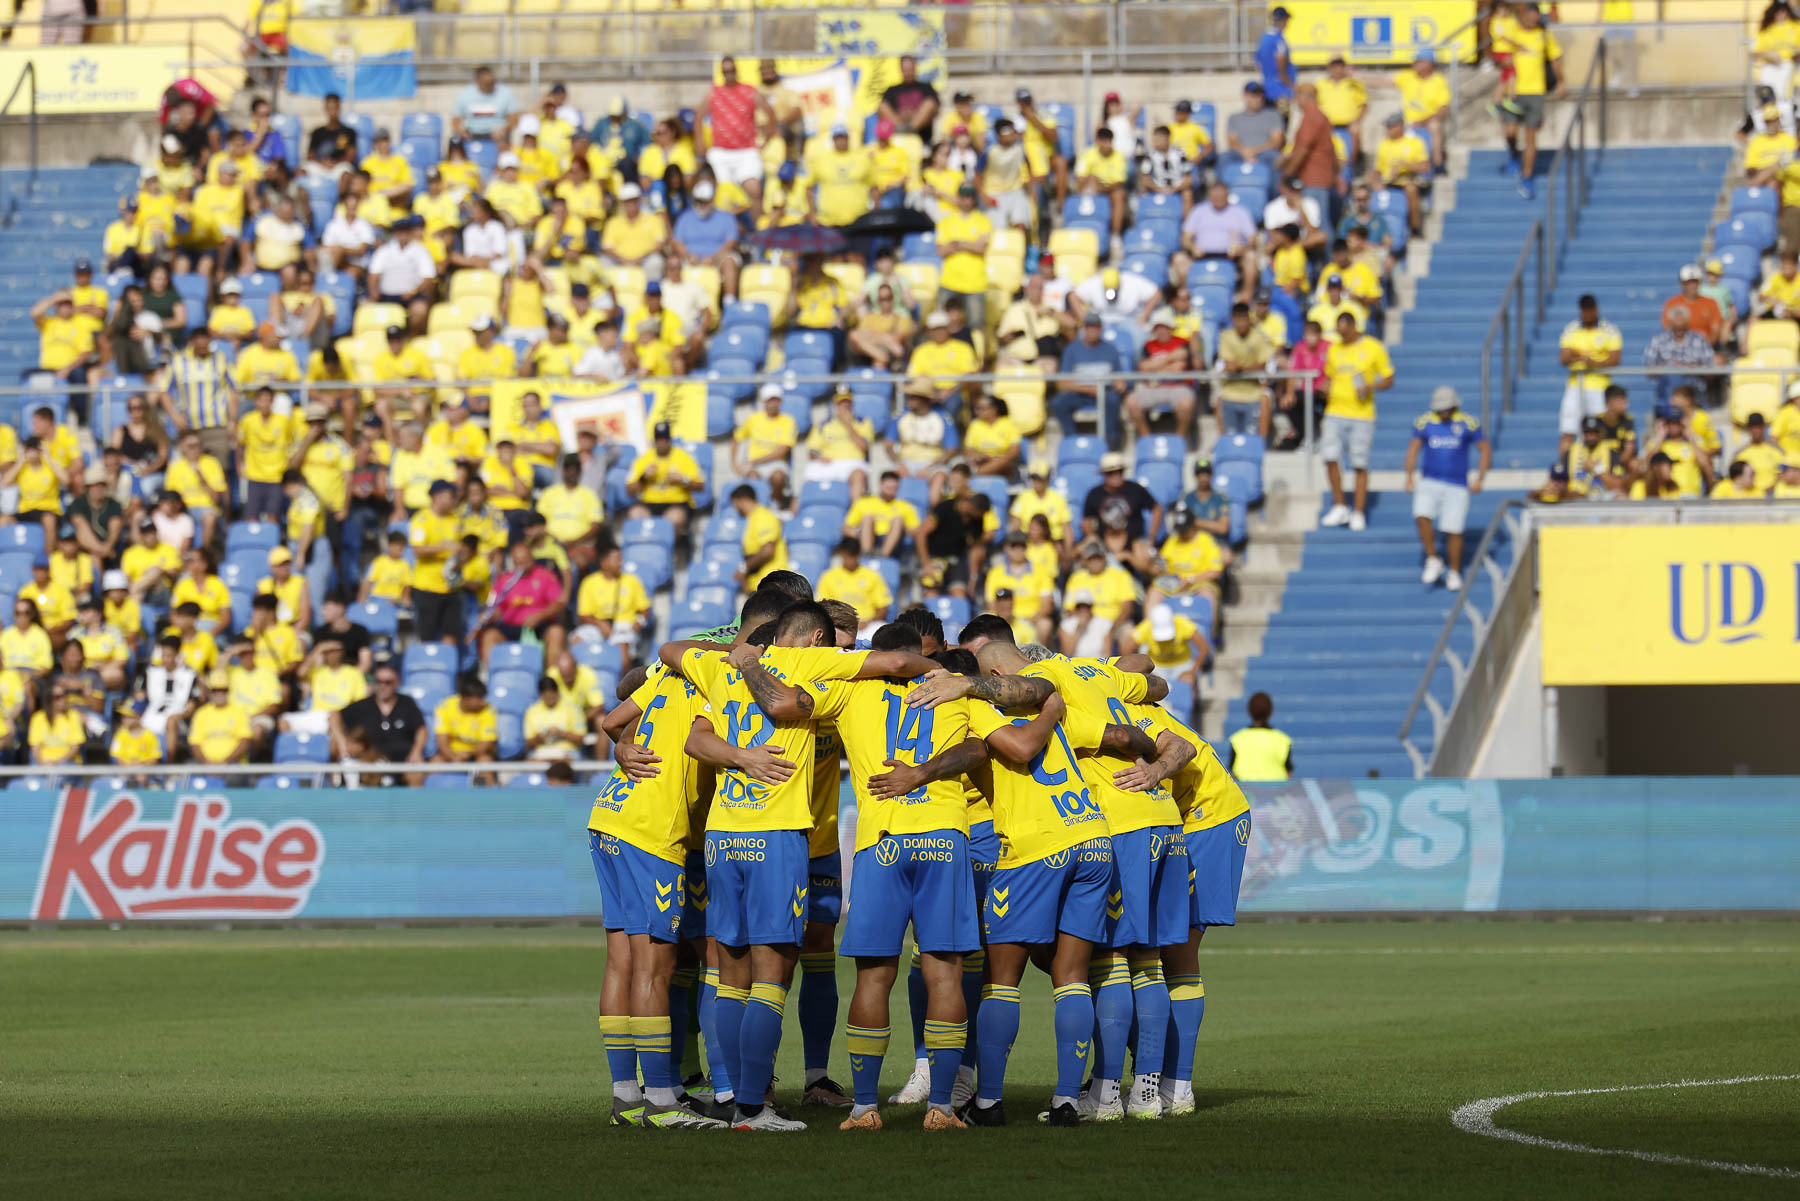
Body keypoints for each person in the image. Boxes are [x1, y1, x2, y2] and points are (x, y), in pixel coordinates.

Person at [660, 600, 937, 1131]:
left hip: (722, 836)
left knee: (730, 974)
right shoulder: (811, 664)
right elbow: (898, 664)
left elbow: (670, 650)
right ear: (813, 639)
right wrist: (945, 675)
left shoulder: (719, 666)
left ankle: (735, 1097)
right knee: (770, 976)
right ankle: (752, 1108)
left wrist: (737, 657)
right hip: (778, 836)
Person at [793, 622, 978, 1131]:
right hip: (943, 836)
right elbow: (982, 748)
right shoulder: (951, 685)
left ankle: (863, 1108)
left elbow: (789, 706)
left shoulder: (851, 690)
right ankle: (941, 1107)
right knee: (944, 972)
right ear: (919, 653)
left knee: (873, 976)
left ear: (874, 656)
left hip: (882, 844)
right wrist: (928, 772)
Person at [1403, 386, 1490, 592]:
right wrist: (1409, 476)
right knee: (1421, 515)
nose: (1443, 413)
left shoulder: (1467, 423)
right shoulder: (1424, 422)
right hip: (1429, 480)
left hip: (1457, 483)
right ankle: (1433, 557)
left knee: (1454, 529)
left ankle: (1454, 570)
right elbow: (1413, 449)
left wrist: (1480, 478)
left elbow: (1484, 449)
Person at [1320, 313, 1394, 530]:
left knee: (1359, 463)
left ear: (1353, 327)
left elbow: (1389, 378)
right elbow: (1329, 376)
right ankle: (1340, 504)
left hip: (1362, 414)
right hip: (1334, 410)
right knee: (1330, 457)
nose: (1341, 335)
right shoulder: (1334, 349)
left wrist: (1370, 387)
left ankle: (1359, 511)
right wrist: (1325, 388)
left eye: (1344, 331)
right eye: (1338, 332)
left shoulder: (1372, 347)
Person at [1491, 1, 1564, 199]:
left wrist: (1560, 82)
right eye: (1531, 17)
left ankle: (1527, 176)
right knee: (1510, 131)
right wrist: (1503, 61)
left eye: (1536, 18)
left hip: (1535, 91)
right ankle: (1515, 155)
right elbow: (1497, 53)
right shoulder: (1513, 31)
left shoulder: (1544, 34)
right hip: (1514, 90)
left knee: (1531, 135)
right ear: (1523, 16)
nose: (1534, 21)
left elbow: (1555, 57)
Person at [334, 661, 427, 780]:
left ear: (397, 683)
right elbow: (334, 715)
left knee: (416, 773)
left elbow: (422, 729)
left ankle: (414, 798)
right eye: (379, 681)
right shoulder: (363, 705)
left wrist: (417, 751)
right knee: (365, 769)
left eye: (388, 682)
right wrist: (342, 743)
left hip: (403, 761)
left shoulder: (407, 703)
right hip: (371, 761)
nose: (383, 686)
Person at [1557, 295, 1623, 455]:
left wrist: (1588, 360)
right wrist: (1595, 356)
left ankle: (1601, 468)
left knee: (1600, 431)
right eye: (1584, 312)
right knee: (1568, 430)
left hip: (1599, 388)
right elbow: (1564, 357)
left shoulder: (1609, 330)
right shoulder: (1571, 329)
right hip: (1575, 386)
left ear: (1596, 310)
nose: (1587, 315)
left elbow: (1614, 358)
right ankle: (1563, 471)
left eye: (1590, 311)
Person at [1051, 313, 1128, 449]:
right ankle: (1072, 439)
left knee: (1113, 400)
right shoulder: (1071, 349)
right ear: (1084, 329)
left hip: (1105, 392)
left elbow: (1119, 376)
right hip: (1079, 392)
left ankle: (1110, 443)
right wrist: (1090, 389)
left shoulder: (1111, 350)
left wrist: (1120, 383)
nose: (1092, 331)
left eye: (1096, 327)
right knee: (1058, 403)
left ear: (1100, 329)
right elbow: (1062, 383)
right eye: (1089, 327)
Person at [625, 422, 704, 539]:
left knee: (674, 518)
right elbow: (629, 491)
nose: (662, 442)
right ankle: (646, 547)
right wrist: (643, 478)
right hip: (650, 503)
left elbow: (701, 486)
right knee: (635, 514)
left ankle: (667, 550)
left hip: (677, 503)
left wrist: (683, 480)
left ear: (670, 439)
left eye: (665, 439)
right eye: (659, 439)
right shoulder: (644, 458)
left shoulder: (683, 457)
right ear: (654, 440)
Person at [734, 384, 797, 511]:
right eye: (770, 400)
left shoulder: (788, 421)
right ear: (764, 401)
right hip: (754, 464)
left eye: (776, 400)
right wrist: (734, 463)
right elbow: (736, 438)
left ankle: (774, 504)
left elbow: (783, 450)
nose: (773, 404)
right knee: (753, 478)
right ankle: (757, 509)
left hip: (774, 463)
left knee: (778, 477)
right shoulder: (753, 419)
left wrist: (755, 461)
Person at [803, 387, 874, 497]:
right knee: (810, 475)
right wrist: (819, 458)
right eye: (841, 402)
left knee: (858, 475)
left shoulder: (863, 422)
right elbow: (812, 451)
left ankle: (855, 511)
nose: (845, 405)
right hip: (829, 463)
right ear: (835, 404)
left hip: (853, 462)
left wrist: (848, 425)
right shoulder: (823, 425)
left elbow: (864, 447)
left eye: (847, 402)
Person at [817, 540, 893, 640]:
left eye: (853, 556)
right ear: (841, 554)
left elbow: (883, 608)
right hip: (839, 625)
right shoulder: (828, 577)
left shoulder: (872, 576)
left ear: (859, 555)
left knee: (883, 631)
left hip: (867, 626)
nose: (850, 560)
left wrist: (868, 622)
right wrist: (843, 622)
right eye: (847, 556)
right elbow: (823, 607)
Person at [843, 471, 921, 560]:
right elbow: (846, 527)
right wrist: (856, 534)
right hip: (869, 537)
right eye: (888, 487)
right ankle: (866, 554)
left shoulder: (905, 506)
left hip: (894, 541)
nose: (890, 490)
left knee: (898, 520)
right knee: (867, 518)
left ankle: (883, 556)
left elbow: (916, 530)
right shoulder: (864, 502)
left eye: (893, 488)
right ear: (880, 485)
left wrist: (904, 529)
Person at [434, 677, 498, 783]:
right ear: (465, 698)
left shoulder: (488, 710)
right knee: (435, 763)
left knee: (485, 762)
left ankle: (486, 796)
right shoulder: (445, 707)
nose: (482, 702)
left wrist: (469, 754)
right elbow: (442, 741)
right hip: (450, 753)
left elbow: (486, 744)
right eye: (479, 698)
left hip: (476, 754)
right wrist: (453, 757)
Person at [1229, 691, 1292, 780]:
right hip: (1276, 791)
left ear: (1249, 711)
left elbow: (1232, 772)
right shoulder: (1283, 739)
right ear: (1271, 711)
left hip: (1246, 791)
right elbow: (1289, 773)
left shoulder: (1237, 739)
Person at [452, 65, 519, 143]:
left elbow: (514, 118)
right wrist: (461, 132)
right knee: (455, 143)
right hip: (472, 133)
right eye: (486, 83)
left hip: (498, 134)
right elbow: (455, 119)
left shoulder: (505, 92)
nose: (490, 86)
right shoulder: (465, 94)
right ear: (477, 81)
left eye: (492, 82)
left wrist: (503, 130)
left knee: (504, 144)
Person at [1256, 5, 1295, 108]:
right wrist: (1291, 86)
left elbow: (1258, 64)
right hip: (1280, 91)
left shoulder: (1264, 39)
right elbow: (1281, 64)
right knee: (1281, 122)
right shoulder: (1278, 40)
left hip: (1267, 89)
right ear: (1282, 20)